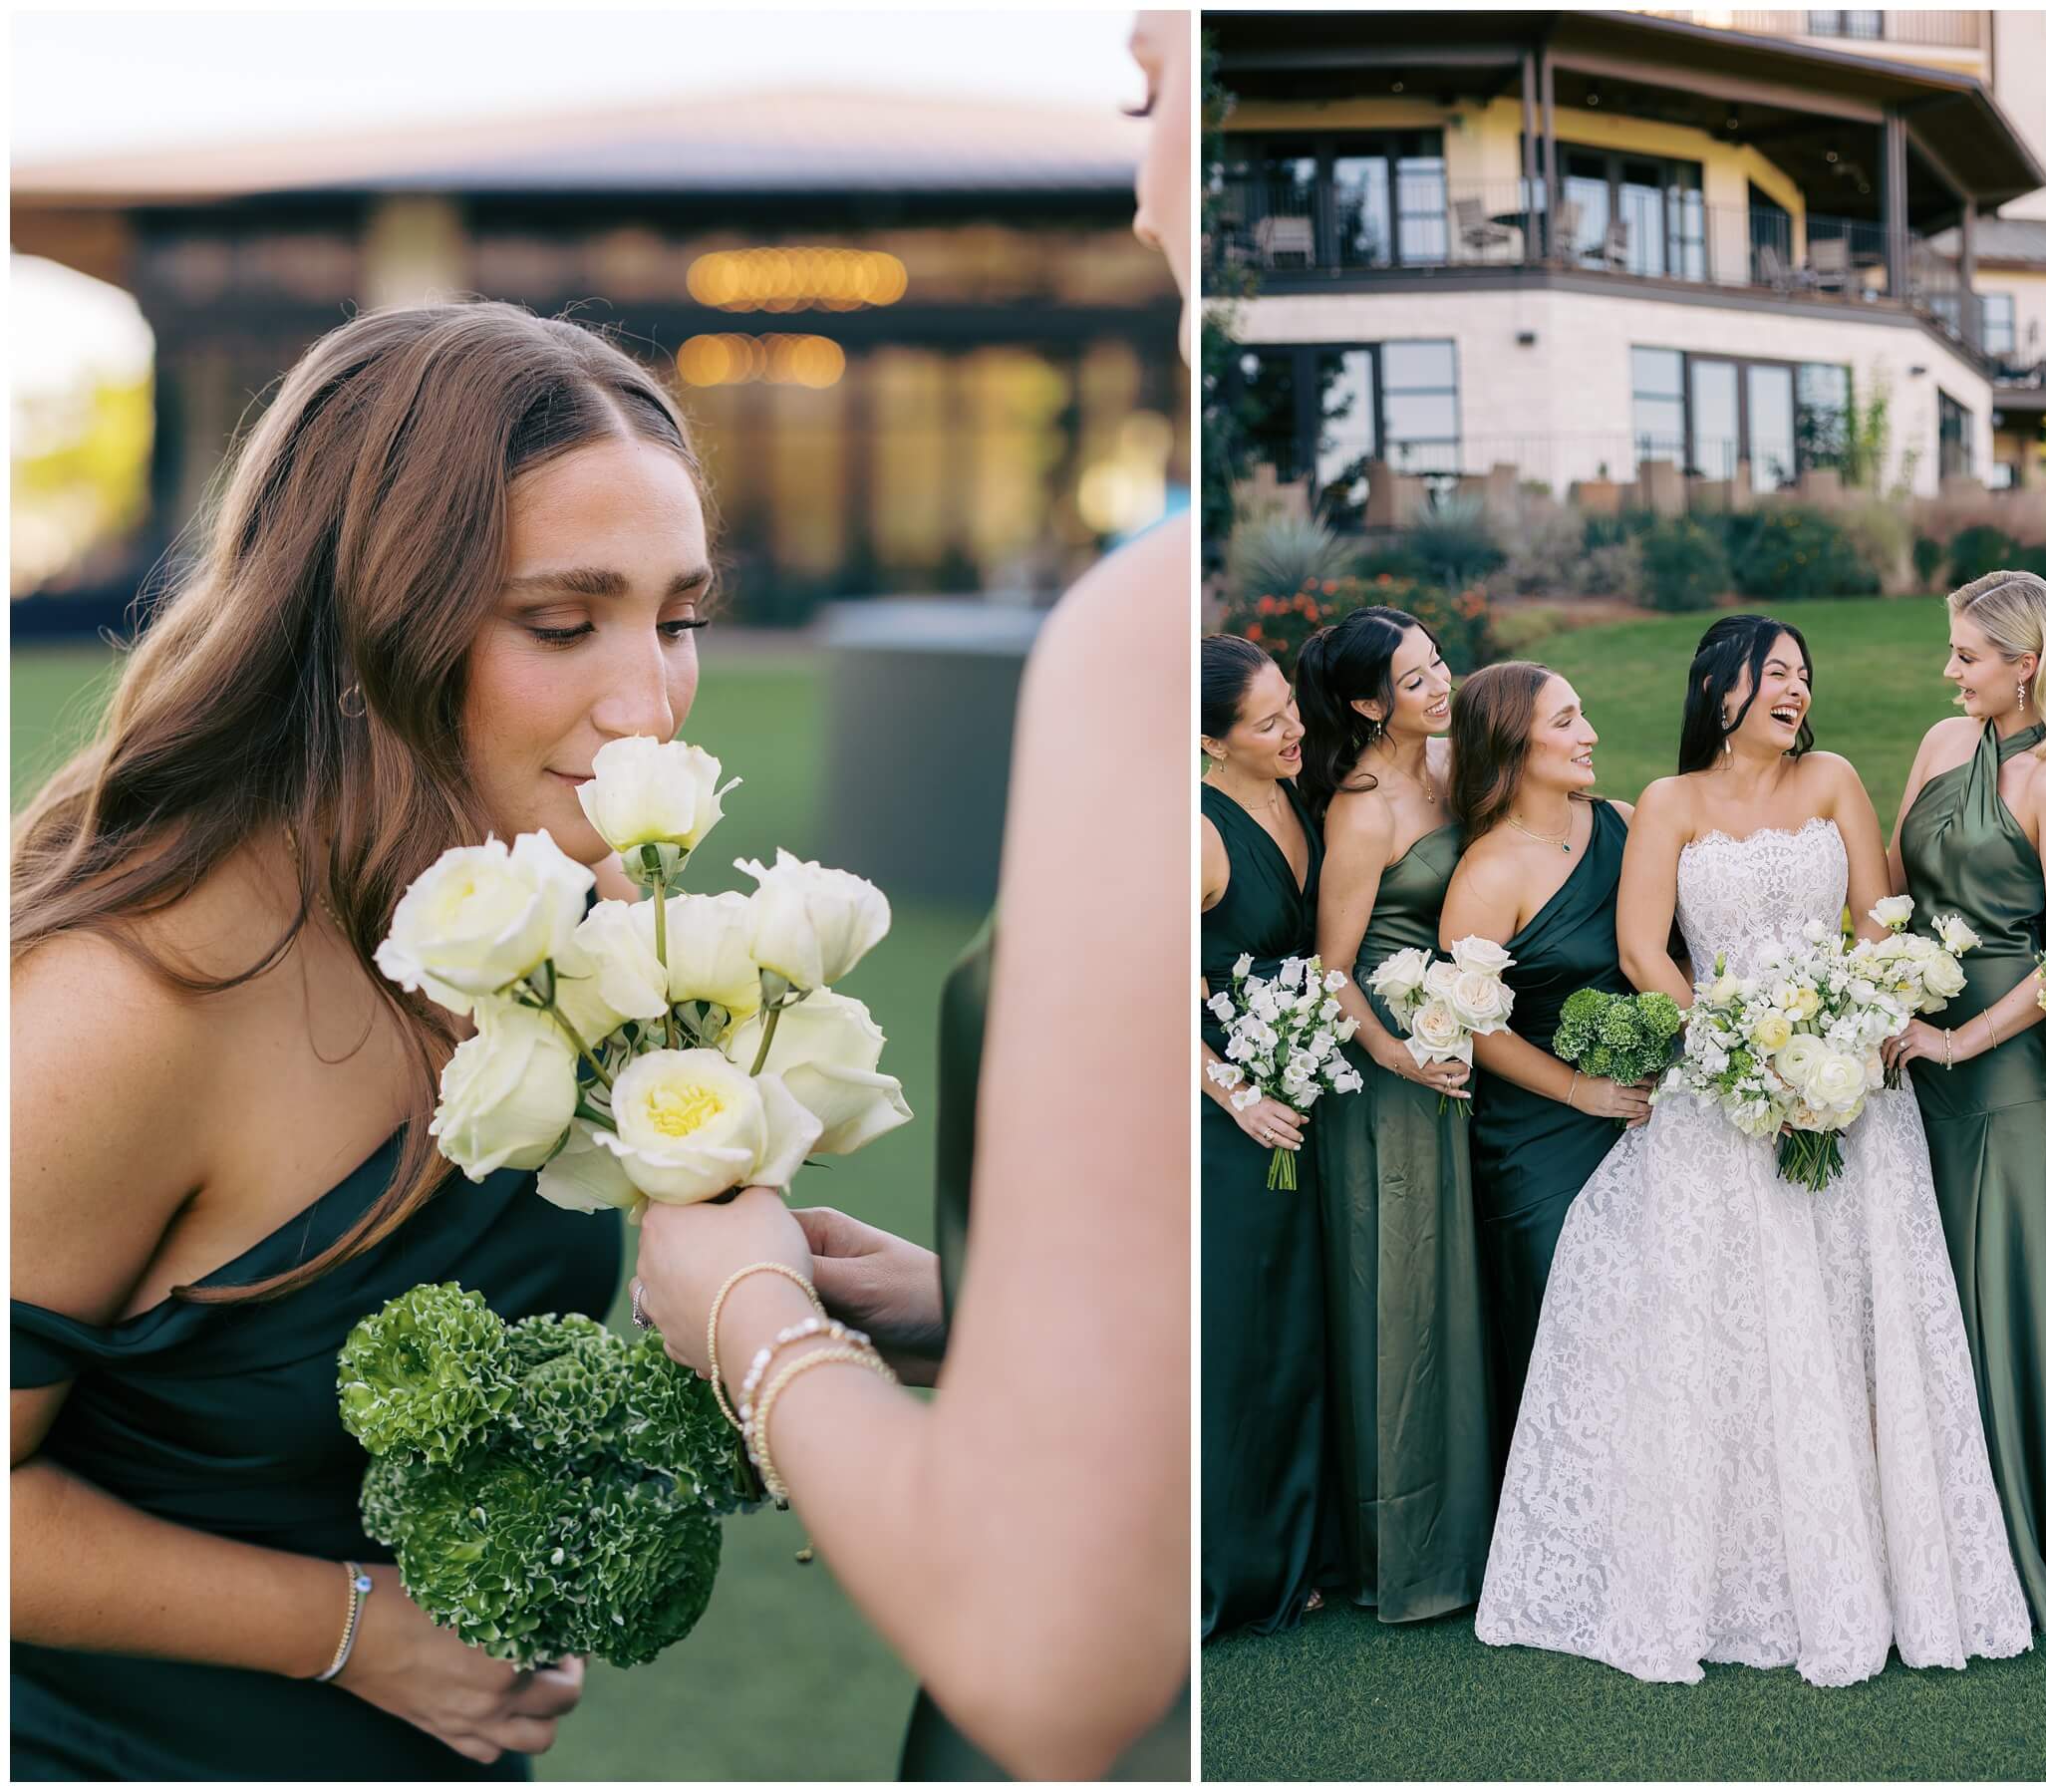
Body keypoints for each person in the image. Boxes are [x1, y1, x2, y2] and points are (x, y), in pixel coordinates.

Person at [7, 299, 705, 1775]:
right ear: (361, 618)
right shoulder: (125, 1007)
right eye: (563, 623)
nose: (649, 705)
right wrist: (352, 1631)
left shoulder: (571, 925)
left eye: (680, 619)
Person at [623, 14, 1189, 1780]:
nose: (1142, 185)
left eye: (1160, 89)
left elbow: (1049, 1652)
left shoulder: (1140, 631)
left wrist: (750, 1319)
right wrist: (991, 1315)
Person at [1476, 614, 2031, 1687]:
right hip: (1722, 1090)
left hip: (1849, 1093)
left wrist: (1838, 1029)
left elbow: (1878, 917)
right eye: (1776, 671)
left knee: (1846, 1312)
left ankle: (1877, 1570)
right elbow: (1645, 948)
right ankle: (1728, 1573)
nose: (1796, 688)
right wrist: (1737, 1051)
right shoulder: (1669, 803)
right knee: (1728, 1328)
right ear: (1720, 688)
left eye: (1803, 673)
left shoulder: (1833, 778)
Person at [1884, 568, 2046, 1634]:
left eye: (1968, 655)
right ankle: (1927, 1535)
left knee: (1997, 1281)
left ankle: (2027, 1540)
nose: (1950, 671)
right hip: (1907, 1041)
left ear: (2027, 664)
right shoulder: (1942, 741)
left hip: (2005, 1063)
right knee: (1917, 1273)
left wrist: (1958, 1038)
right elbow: (1894, 887)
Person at [1297, 604, 1492, 1624]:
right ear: (1371, 705)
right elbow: (1331, 971)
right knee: (1406, 1293)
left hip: (1466, 1046)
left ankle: (1481, 1527)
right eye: (1415, 679)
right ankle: (1407, 1550)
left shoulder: (1454, 763)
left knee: (1464, 1286)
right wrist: (1397, 1055)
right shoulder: (1362, 808)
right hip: (1390, 1077)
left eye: (1439, 663)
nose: (1440, 683)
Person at [1439, 660, 1650, 1457]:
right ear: (1511, 744)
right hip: (1540, 1138)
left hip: (1649, 1119)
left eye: (1581, 713)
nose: (1588, 734)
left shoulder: (1625, 823)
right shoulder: (1488, 873)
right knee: (1569, 1340)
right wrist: (1577, 1091)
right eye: (1564, 722)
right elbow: (1473, 1026)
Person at [1198, 634, 1332, 1641]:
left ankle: (1295, 1556)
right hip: (1228, 1116)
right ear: (1212, 741)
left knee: (1294, 1333)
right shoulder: (1198, 834)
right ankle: (1225, 1574)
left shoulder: (1300, 794)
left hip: (1301, 1089)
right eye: (1268, 722)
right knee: (1239, 1339)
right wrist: (1233, 1092)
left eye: (1291, 706)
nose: (1294, 731)